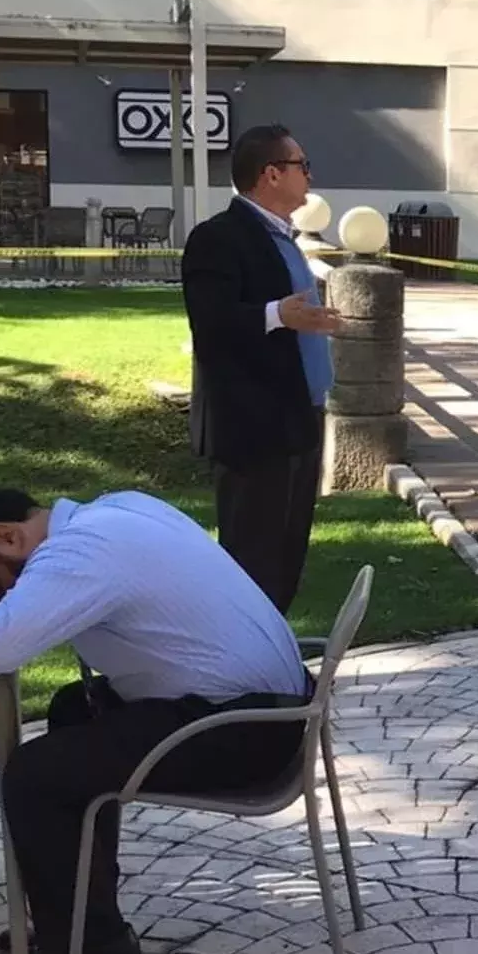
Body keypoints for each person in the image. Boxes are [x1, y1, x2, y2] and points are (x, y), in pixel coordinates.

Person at [0, 489, 312, 954]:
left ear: (8, 537)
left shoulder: (79, 555)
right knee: (73, 710)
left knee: (35, 776)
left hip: (244, 733)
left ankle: (91, 949)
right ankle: (80, 917)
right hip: (274, 709)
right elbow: (7, 625)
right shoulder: (118, 510)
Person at [182, 124, 339, 615]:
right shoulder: (218, 238)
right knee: (252, 563)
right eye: (302, 164)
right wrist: (277, 315)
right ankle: (244, 671)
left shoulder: (283, 239)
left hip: (299, 419)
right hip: (254, 430)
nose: (309, 175)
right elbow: (211, 324)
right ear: (271, 174)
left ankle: (274, 663)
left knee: (287, 558)